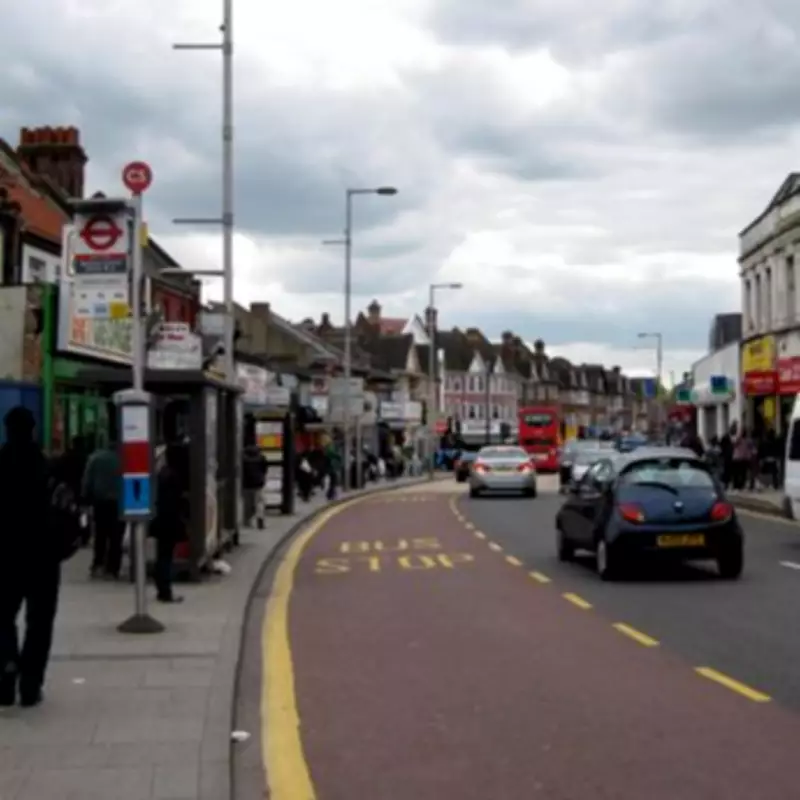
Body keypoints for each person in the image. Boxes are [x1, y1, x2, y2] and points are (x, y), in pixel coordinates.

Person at [0, 406, 60, 707]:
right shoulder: (45, 466)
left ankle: (6, 666)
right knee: (40, 622)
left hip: (5, 556)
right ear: (33, 429)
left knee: (1, 615)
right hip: (43, 556)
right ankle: (30, 685)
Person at [82, 426, 123, 579]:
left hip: (100, 502)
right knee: (116, 536)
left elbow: (87, 481)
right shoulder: (124, 459)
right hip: (119, 503)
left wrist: (85, 497)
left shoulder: (95, 458)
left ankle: (97, 564)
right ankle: (113, 568)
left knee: (100, 534)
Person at [151, 442, 189, 603]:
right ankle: (165, 590)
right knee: (166, 556)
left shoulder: (162, 473)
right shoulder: (174, 476)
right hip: (169, 521)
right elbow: (176, 502)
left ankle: (162, 588)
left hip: (161, 520)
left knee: (162, 555)